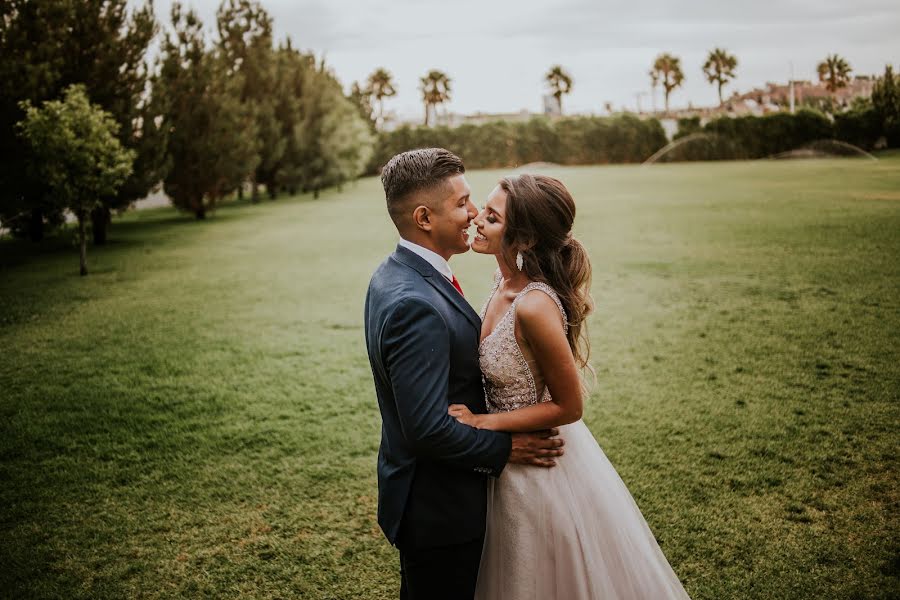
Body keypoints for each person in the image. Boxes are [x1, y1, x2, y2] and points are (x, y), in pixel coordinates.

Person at [449, 173, 692, 599]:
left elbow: (569, 405)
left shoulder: (535, 305)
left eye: (491, 217)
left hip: (544, 466)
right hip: (508, 464)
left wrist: (483, 423)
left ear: (522, 238)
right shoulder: (501, 284)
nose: (476, 220)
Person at [364, 149, 565, 600]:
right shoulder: (414, 303)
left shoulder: (394, 274)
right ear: (424, 217)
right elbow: (427, 429)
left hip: (435, 497)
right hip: (439, 510)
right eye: (462, 203)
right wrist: (506, 446)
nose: (473, 214)